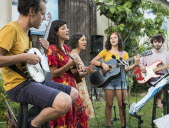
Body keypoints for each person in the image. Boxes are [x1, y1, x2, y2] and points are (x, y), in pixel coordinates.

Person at [0, 0, 79, 128]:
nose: (43, 18)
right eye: (42, 14)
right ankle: (32, 124)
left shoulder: (27, 33)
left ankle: (28, 120)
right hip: (17, 85)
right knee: (64, 102)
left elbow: (29, 65)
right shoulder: (11, 29)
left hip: (32, 81)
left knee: (73, 93)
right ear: (31, 11)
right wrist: (24, 57)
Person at [91, 32, 139, 128]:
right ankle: (108, 125)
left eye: (115, 38)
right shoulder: (105, 51)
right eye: (111, 38)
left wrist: (135, 64)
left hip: (120, 79)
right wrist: (102, 64)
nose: (112, 39)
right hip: (108, 80)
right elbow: (93, 61)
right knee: (109, 103)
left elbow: (126, 68)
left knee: (122, 104)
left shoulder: (124, 53)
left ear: (118, 40)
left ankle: (123, 125)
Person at [47, 20, 88, 128]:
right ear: (56, 32)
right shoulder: (52, 49)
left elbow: (73, 72)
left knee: (81, 115)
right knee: (65, 119)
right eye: (63, 28)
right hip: (61, 88)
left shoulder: (66, 48)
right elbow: (54, 73)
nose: (67, 30)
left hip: (73, 87)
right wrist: (68, 65)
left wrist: (85, 72)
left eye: (67, 27)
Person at [69, 33, 95, 119]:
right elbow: (75, 76)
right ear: (76, 42)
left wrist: (86, 70)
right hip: (77, 88)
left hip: (80, 86)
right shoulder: (73, 56)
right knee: (79, 115)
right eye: (83, 40)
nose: (85, 42)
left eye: (85, 40)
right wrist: (87, 72)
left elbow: (77, 73)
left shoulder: (76, 55)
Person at [140, 34, 169, 108]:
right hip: (151, 76)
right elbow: (140, 62)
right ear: (152, 43)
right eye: (155, 42)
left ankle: (166, 99)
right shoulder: (148, 53)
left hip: (164, 76)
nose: (157, 43)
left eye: (159, 42)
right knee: (160, 84)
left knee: (164, 82)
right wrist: (141, 66)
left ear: (162, 42)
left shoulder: (166, 54)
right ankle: (158, 98)